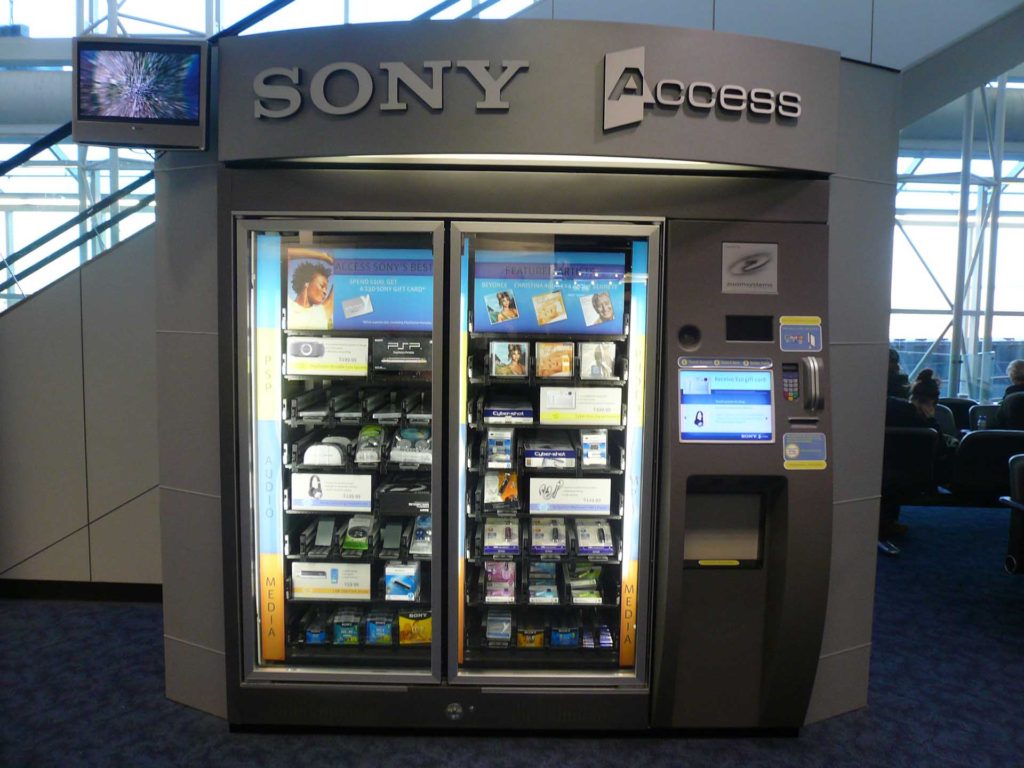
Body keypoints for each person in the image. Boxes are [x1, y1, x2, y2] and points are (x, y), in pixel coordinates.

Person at [289, 262, 332, 329]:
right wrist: (323, 256)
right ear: (307, 283)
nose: (325, 292)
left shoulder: (321, 313)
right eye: (321, 286)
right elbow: (286, 255)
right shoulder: (287, 305)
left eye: (326, 289)